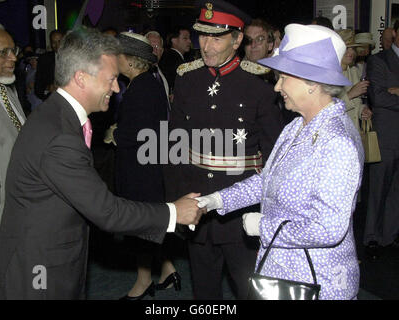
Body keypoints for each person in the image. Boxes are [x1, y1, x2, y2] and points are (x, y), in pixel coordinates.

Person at [0, 28, 203, 300]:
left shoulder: (57, 114)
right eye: (111, 79)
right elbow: (107, 211)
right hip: (35, 274)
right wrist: (174, 213)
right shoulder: (59, 136)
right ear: (81, 78)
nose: (116, 87)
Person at [198, 23, 364, 300]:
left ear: (311, 83)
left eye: (283, 78)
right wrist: (217, 200)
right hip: (284, 276)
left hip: (317, 283)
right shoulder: (296, 125)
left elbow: (328, 228)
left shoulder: (337, 143)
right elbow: (267, 180)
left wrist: (264, 226)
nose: (277, 87)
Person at [164, 0, 283, 300]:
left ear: (237, 39)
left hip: (241, 212)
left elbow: (273, 154)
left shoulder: (258, 83)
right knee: (204, 292)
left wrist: (270, 211)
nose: (206, 45)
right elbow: (174, 146)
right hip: (196, 206)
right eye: (202, 35)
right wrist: (175, 199)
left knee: (248, 289)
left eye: (216, 37)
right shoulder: (187, 78)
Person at [111, 32, 178, 300]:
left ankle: (143, 281)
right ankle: (169, 270)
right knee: (151, 224)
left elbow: (138, 133)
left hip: (141, 170)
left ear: (129, 60)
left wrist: (114, 134)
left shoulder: (140, 88)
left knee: (141, 227)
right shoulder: (149, 83)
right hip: (149, 166)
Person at [0, 20, 26, 299]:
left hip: (14, 210)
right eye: (3, 52)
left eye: (14, 50)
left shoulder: (6, 90)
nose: (13, 58)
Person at [363, 20, 399, 258]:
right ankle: (371, 237)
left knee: (396, 191)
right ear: (395, 33)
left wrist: (394, 91)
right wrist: (391, 92)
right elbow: (378, 97)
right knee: (378, 188)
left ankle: (390, 235)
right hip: (386, 135)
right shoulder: (379, 60)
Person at [336, 29, 372, 131]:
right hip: (337, 134)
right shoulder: (328, 75)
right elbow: (327, 109)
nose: (350, 52)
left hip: (353, 132)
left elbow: (357, 102)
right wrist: (350, 94)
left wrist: (363, 110)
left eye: (352, 48)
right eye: (347, 48)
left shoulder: (353, 71)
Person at [158, 26, 192, 92]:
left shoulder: (168, 56)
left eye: (189, 38)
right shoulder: (174, 60)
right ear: (174, 40)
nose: (189, 41)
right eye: (185, 38)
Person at [34, 29, 63, 101]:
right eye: (54, 42)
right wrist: (48, 88)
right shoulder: (44, 59)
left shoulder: (75, 58)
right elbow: (38, 87)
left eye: (59, 41)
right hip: (51, 101)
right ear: (51, 43)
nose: (57, 45)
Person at [145, 31, 171, 104]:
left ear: (162, 51)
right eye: (151, 47)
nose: (154, 50)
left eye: (157, 46)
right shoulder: (140, 74)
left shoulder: (163, 73)